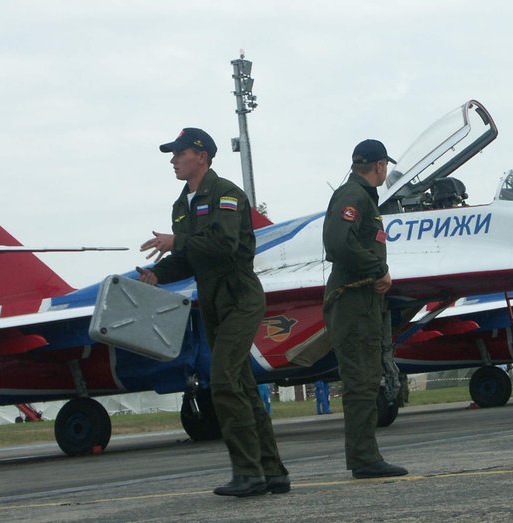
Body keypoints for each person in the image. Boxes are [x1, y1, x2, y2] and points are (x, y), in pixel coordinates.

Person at [138, 127, 288, 497]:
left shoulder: (227, 195)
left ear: (201, 156)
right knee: (242, 385)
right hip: (212, 302)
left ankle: (248, 473)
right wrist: (159, 274)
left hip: (240, 297)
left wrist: (179, 241)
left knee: (221, 380)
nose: (173, 160)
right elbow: (189, 258)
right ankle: (273, 472)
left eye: (179, 153)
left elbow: (223, 245)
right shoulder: (181, 206)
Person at [322, 139, 409, 479]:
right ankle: (364, 459)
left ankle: (365, 455)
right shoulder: (354, 196)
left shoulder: (360, 197)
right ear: (380, 166)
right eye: (385, 166)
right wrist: (377, 269)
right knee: (361, 379)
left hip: (361, 300)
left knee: (367, 377)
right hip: (353, 300)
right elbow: (337, 242)